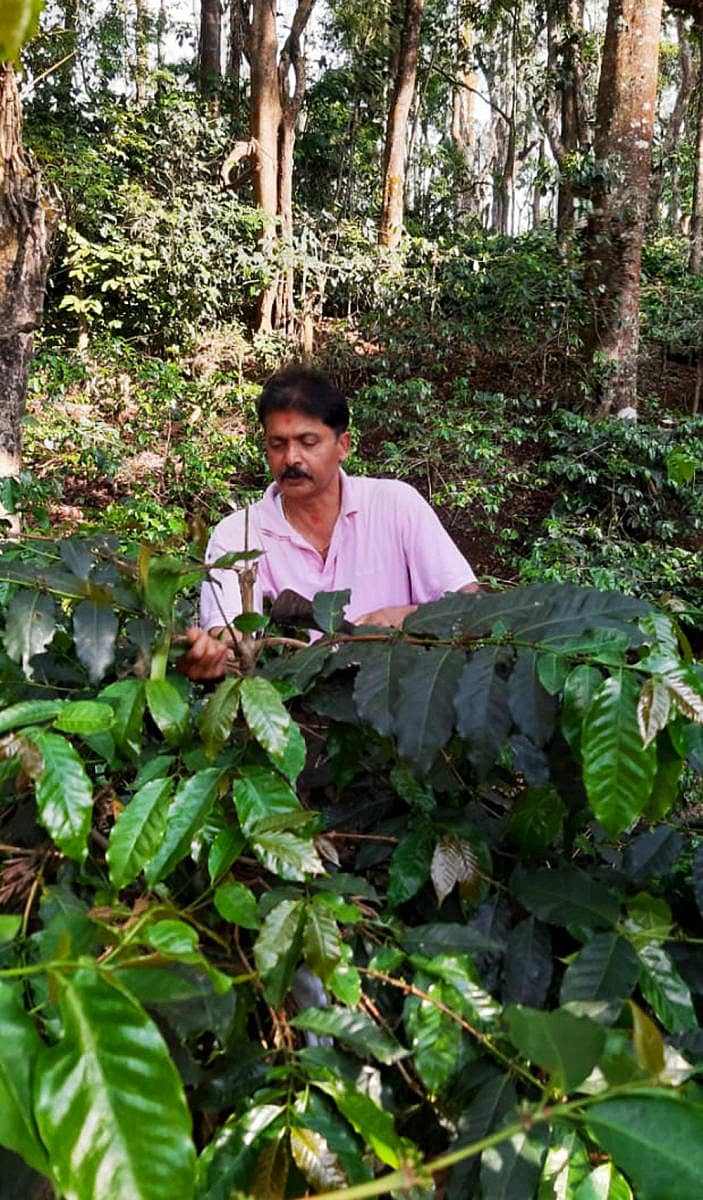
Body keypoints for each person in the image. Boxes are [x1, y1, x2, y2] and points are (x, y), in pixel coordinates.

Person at [180, 364, 478, 680]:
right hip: (298, 712)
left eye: (308, 442)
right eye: (277, 444)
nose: (291, 458)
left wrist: (403, 618)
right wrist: (212, 656)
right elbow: (230, 641)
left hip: (402, 699)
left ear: (343, 446)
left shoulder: (395, 506)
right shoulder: (237, 535)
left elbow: (471, 606)